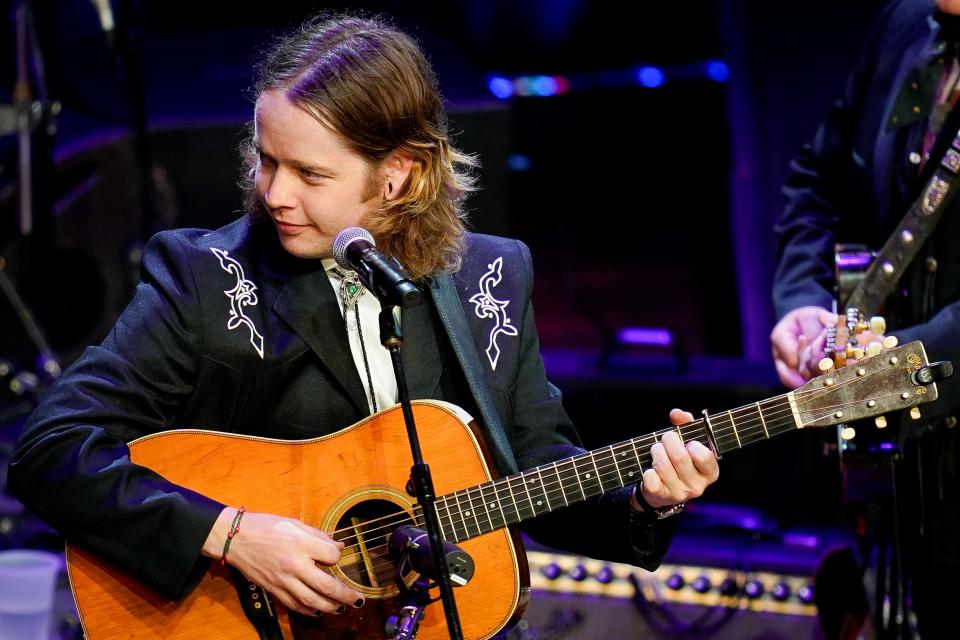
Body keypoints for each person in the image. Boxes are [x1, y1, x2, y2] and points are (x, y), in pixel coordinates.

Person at [7, 11, 719, 634]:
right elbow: (51, 450)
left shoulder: (491, 279)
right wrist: (231, 534)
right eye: (266, 160)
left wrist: (649, 501)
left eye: (309, 174)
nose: (274, 193)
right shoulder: (207, 278)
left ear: (399, 174)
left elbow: (532, 474)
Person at [770, 1, 960, 638]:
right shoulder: (905, 22)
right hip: (902, 496)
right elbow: (816, 180)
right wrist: (802, 298)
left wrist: (901, 361)